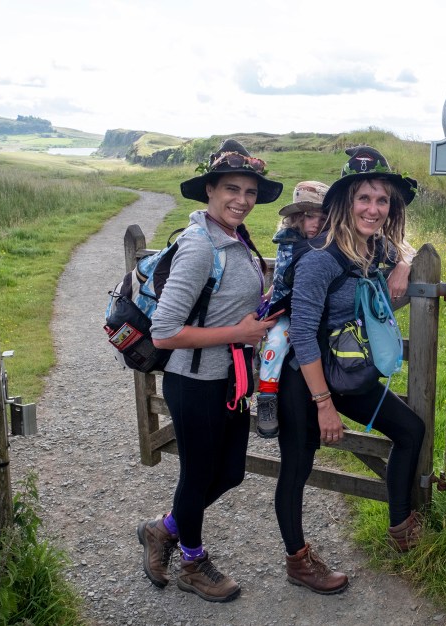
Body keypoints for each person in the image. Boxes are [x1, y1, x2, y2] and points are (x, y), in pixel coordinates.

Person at [136, 139, 283, 603]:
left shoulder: (235, 237)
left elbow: (226, 304)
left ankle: (164, 529)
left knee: (232, 472)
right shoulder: (200, 245)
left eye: (250, 192)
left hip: (229, 379)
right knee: (198, 476)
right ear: (210, 191)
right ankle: (193, 563)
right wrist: (238, 331)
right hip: (194, 381)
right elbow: (163, 332)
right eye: (231, 189)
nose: (242, 199)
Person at [274, 146, 425, 595]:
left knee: (410, 430)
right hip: (306, 379)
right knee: (297, 468)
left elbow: (409, 248)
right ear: (344, 203)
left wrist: (404, 262)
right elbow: (302, 337)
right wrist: (323, 406)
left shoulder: (374, 247)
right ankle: (298, 560)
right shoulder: (320, 258)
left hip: (349, 372)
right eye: (364, 199)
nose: (373, 209)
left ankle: (401, 528)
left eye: (382, 201)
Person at [255, 180, 329, 438]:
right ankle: (266, 397)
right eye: (309, 216)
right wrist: (270, 299)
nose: (315, 224)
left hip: (318, 311)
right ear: (297, 218)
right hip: (288, 310)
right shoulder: (289, 243)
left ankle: (332, 404)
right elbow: (283, 280)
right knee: (275, 342)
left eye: (322, 217)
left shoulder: (332, 244)